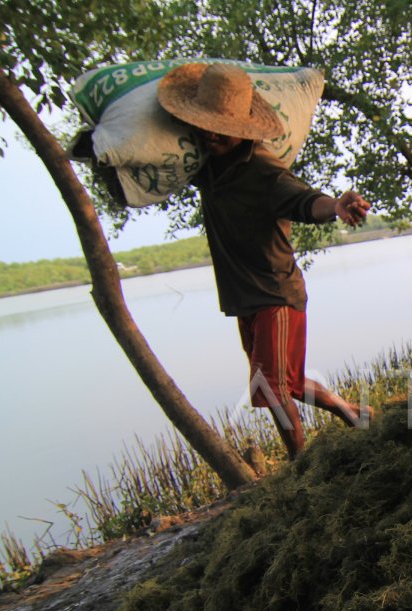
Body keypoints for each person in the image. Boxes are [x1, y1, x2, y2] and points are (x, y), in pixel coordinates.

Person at [157, 62, 372, 460]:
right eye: (205, 124)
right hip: (244, 298)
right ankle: (352, 412)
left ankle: (300, 466)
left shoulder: (262, 167)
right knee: (284, 384)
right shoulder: (203, 164)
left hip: (275, 293)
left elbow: (305, 200)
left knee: (269, 388)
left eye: (221, 126)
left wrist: (337, 207)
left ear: (243, 127)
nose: (211, 133)